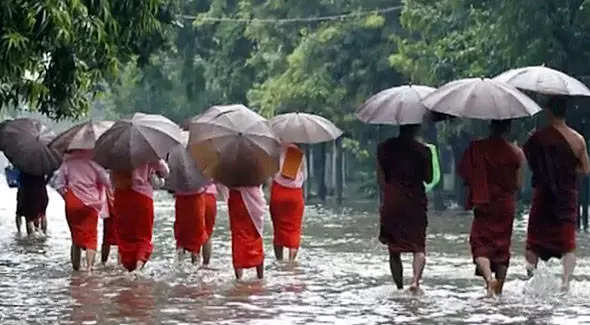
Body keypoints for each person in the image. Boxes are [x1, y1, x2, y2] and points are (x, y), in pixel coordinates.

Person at [523, 95, 590, 292]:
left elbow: (530, 162)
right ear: (565, 112)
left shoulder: (537, 138)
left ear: (549, 111)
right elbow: (585, 169)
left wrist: (532, 138)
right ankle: (566, 282)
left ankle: (532, 279)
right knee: (568, 243)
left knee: (534, 242)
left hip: (543, 196)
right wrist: (568, 171)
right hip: (566, 197)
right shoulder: (578, 139)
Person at [458, 120, 525, 297]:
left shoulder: (477, 148)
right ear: (508, 129)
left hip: (484, 202)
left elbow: (463, 173)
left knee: (480, 246)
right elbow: (518, 184)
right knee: (502, 248)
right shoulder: (516, 152)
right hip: (505, 206)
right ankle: (499, 291)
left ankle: (489, 280)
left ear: (490, 127)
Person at [377, 124, 433, 293]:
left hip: (392, 201)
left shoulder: (384, 148)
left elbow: (380, 179)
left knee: (394, 249)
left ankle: (399, 287)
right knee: (418, 246)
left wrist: (390, 193)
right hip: (415, 203)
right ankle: (415, 281)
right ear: (416, 129)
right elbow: (429, 178)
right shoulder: (423, 150)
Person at [54, 150, 111, 271]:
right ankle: (89, 269)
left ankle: (76, 269)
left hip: (72, 202)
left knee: (75, 238)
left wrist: (67, 198)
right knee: (91, 237)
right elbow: (106, 182)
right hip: (91, 204)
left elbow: (58, 185)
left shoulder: (67, 163)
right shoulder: (94, 163)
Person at [112, 159, 169, 272]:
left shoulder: (117, 153)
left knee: (124, 235)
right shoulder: (148, 153)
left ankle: (125, 267)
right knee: (143, 235)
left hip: (121, 196)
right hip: (142, 196)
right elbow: (166, 172)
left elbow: (110, 178)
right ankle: (138, 267)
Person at [269, 143, 307, 262]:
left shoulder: (276, 151)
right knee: (294, 229)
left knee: (278, 230)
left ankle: (279, 261)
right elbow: (304, 176)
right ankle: (291, 263)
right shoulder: (299, 154)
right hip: (294, 195)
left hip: (278, 193)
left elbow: (271, 174)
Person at [222, 184, 266, 280]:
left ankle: (239, 278)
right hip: (255, 200)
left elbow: (223, 182)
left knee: (238, 237)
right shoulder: (256, 169)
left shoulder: (230, 169)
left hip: (236, 198)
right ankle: (260, 277)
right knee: (256, 235)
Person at [174, 187, 208, 265]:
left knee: (181, 236)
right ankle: (196, 264)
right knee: (197, 234)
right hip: (197, 197)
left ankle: (178, 265)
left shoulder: (178, 175)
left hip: (181, 198)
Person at [200, 182, 218, 266]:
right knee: (208, 234)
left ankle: (194, 264)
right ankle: (205, 265)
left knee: (195, 234)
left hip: (195, 194)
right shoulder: (213, 168)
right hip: (210, 196)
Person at [101, 188, 119, 265]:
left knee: (106, 239)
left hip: (108, 209)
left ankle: (103, 262)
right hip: (121, 208)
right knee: (122, 239)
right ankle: (121, 265)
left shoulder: (105, 178)